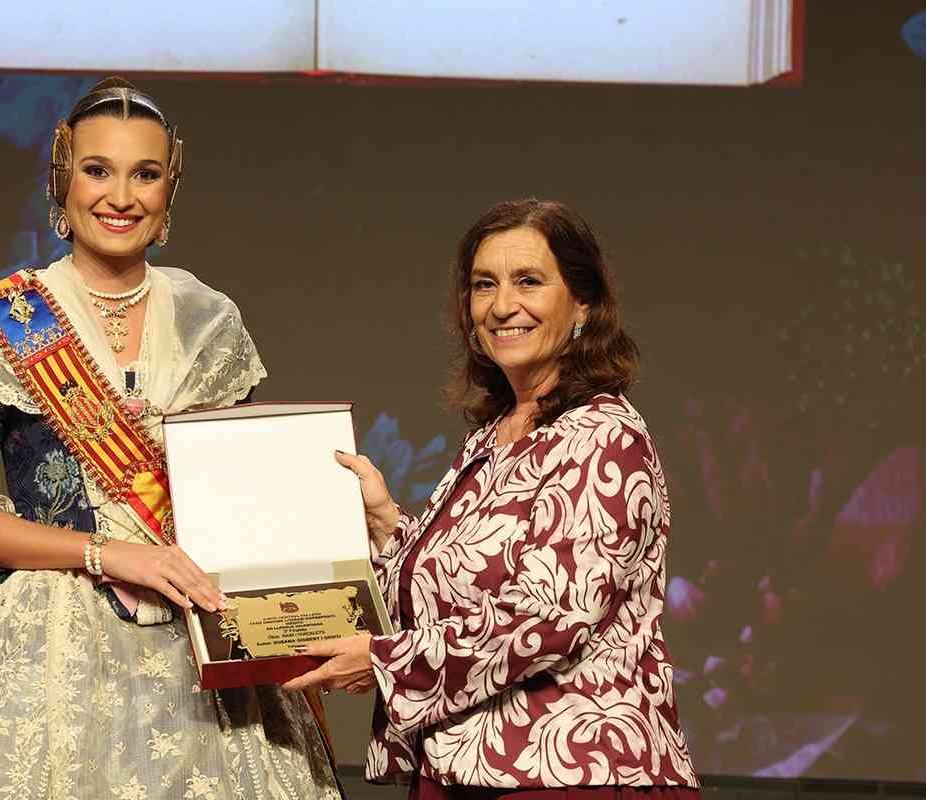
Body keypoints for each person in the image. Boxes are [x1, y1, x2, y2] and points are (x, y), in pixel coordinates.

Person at [0, 78, 340, 800]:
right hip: (47, 637)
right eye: (98, 170)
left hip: (197, 641)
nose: (120, 196)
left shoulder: (210, 323)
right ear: (63, 182)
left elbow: (242, 514)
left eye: (145, 174)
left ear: (169, 192)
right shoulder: (5, 322)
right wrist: (107, 553)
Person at [285, 199, 700, 797]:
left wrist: (383, 660)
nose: (503, 306)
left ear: (583, 303)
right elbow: (449, 596)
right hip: (462, 770)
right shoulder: (493, 436)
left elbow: (546, 620)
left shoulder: (604, 436)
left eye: (528, 281)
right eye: (485, 285)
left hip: (570, 775)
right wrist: (386, 525)